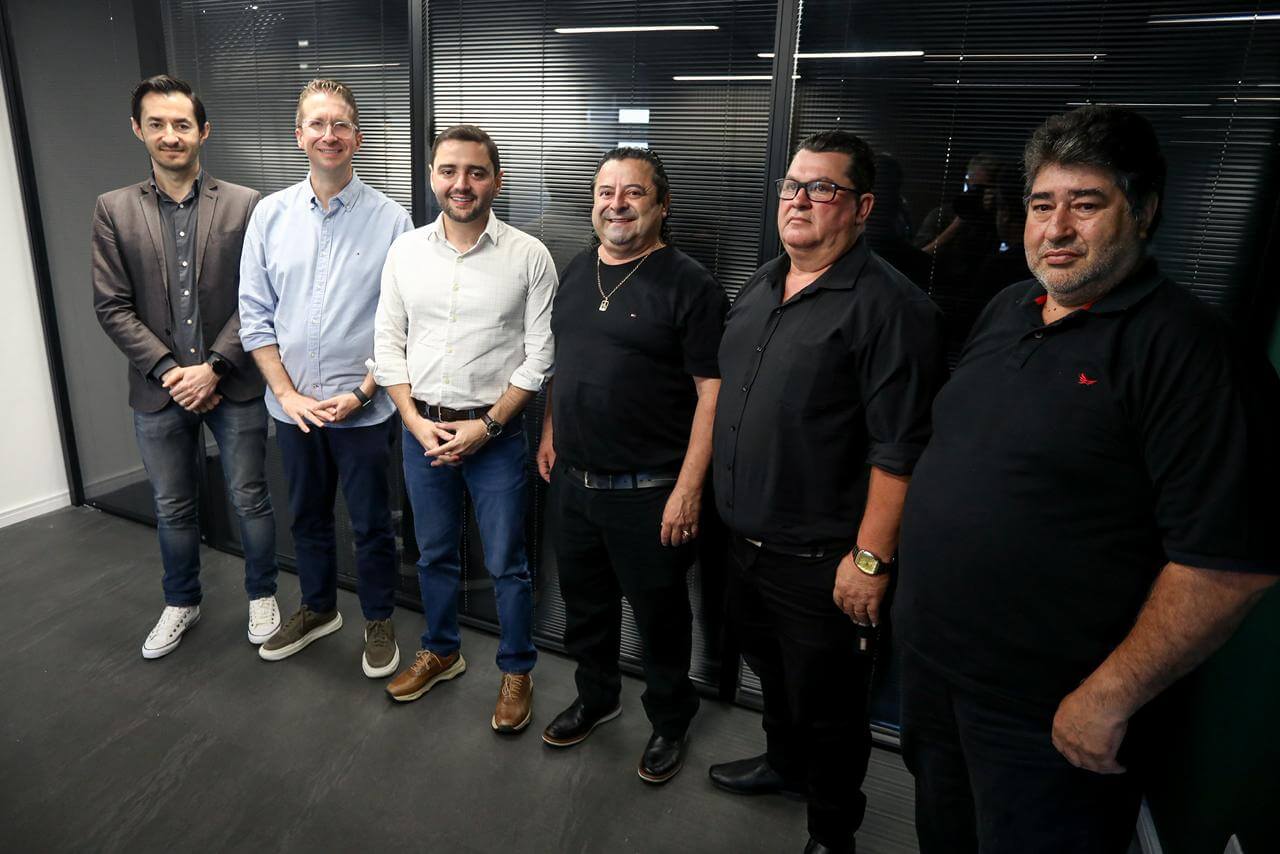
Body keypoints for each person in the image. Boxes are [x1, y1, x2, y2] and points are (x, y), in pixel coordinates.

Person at [895, 105, 1280, 854]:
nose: (1057, 228)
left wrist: (1107, 697)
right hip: (935, 672)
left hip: (1048, 708)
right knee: (944, 833)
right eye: (1042, 205)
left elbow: (1227, 567)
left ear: (1144, 212)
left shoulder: (1193, 355)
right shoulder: (1010, 308)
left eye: (1087, 203)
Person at [709, 130, 945, 854]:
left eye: (822, 188)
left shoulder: (892, 309)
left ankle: (832, 830)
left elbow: (900, 451)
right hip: (743, 544)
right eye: (792, 186)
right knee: (772, 674)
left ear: (863, 206)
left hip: (823, 563)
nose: (799, 201)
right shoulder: (761, 284)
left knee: (831, 706)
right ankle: (784, 766)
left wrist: (869, 562)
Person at [535, 147, 727, 783]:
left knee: (660, 618)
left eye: (633, 193)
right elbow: (563, 362)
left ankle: (670, 720)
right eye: (605, 192)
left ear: (662, 205)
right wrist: (551, 431)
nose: (616, 204)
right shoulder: (577, 268)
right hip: (574, 481)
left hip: (650, 490)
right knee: (585, 607)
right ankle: (597, 697)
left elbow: (712, 394)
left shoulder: (691, 285)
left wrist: (689, 489)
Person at [374, 125, 556, 733]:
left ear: (496, 180)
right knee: (433, 554)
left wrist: (487, 426)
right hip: (421, 429)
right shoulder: (405, 253)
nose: (462, 183)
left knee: (507, 562)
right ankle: (442, 650)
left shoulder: (529, 256)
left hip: (496, 439)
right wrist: (413, 421)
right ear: (431, 177)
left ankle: (517, 669)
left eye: (476, 172)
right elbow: (388, 344)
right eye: (449, 170)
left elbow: (540, 357)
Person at [93, 74, 277, 659]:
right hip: (160, 390)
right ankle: (181, 602)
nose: (170, 135)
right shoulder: (114, 209)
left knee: (250, 497)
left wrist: (214, 368)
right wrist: (173, 372)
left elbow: (258, 298)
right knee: (172, 506)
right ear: (137, 129)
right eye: (157, 124)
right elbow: (112, 305)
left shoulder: (246, 204)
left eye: (181, 124)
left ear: (203, 130)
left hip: (234, 383)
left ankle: (262, 595)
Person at [238, 79, 412, 678]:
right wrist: (286, 394)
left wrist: (363, 392)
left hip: (364, 410)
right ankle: (317, 608)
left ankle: (378, 619)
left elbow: (401, 324)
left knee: (371, 525)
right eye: (317, 123)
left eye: (340, 124)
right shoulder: (269, 216)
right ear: (299, 136)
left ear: (357, 137)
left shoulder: (392, 221)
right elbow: (254, 315)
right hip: (293, 412)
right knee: (307, 518)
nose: (329, 134)